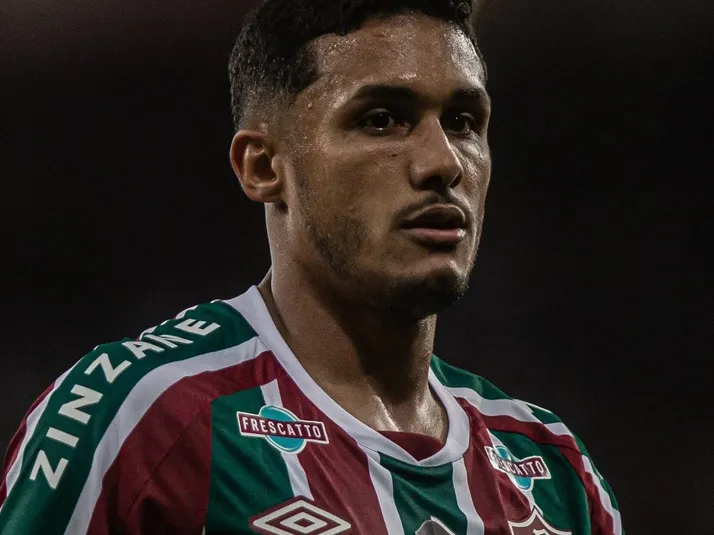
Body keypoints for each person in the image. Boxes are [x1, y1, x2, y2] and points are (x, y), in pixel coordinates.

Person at [0, 1, 624, 534]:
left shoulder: (554, 472)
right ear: (263, 167)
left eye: (463, 122)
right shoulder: (140, 418)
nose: (444, 163)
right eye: (381, 120)